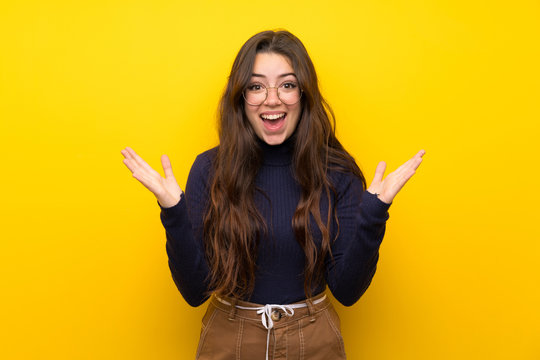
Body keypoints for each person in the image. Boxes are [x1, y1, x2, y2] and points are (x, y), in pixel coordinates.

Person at [121, 30, 425, 360]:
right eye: (256, 86)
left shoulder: (338, 172)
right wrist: (173, 211)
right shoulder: (210, 169)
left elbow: (348, 292)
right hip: (228, 340)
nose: (272, 99)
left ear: (304, 94)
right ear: (240, 97)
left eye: (287, 85)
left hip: (315, 341)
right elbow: (195, 292)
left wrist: (374, 214)